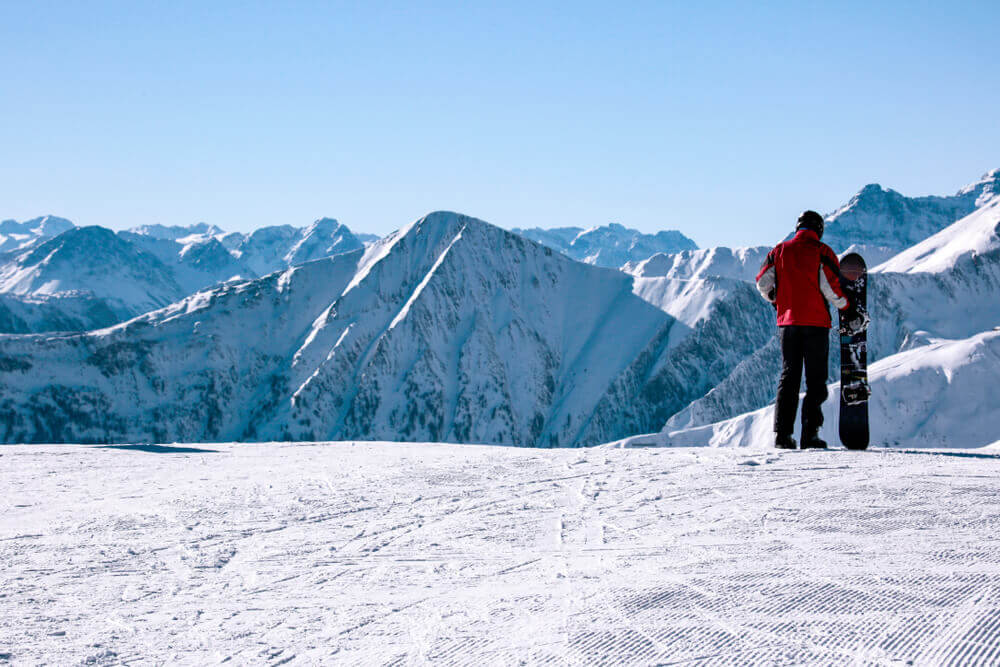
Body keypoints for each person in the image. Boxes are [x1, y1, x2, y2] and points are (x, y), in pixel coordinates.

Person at [755, 210, 856, 449]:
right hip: (816, 324)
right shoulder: (822, 252)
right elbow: (831, 287)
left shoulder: (779, 251)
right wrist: (847, 307)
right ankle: (810, 435)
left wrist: (776, 300)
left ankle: (782, 436)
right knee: (815, 381)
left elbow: (762, 282)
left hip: (787, 325)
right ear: (818, 229)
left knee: (789, 377)